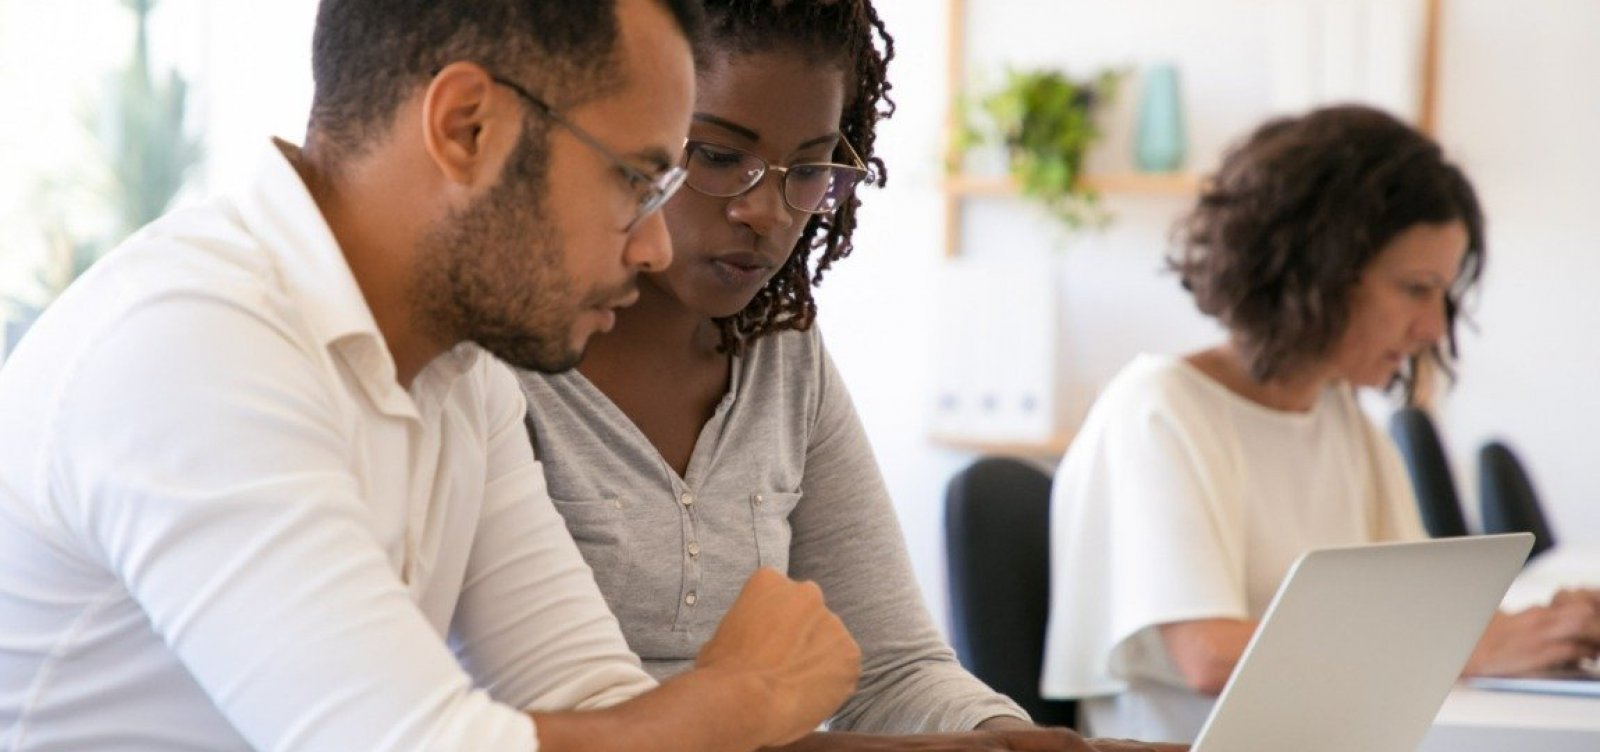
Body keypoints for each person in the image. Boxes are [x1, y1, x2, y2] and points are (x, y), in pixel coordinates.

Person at [0, 1, 865, 750]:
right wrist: (744, 694)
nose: (654, 245)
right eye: (635, 179)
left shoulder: (461, 371)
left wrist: (711, 711)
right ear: (467, 128)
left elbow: (594, 704)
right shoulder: (191, 347)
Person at [516, 2, 1181, 751]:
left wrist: (1006, 737)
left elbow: (892, 668)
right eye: (714, 155)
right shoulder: (499, 363)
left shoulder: (784, 355)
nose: (765, 212)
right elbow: (557, 719)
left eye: (808, 170)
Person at [1038, 104, 1600, 743]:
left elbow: (1425, 616)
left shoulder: (1340, 417)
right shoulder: (1159, 409)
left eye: (1442, 295)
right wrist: (1475, 649)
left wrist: (1540, 630)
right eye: (1416, 288)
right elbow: (1209, 655)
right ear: (1317, 271)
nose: (1434, 328)